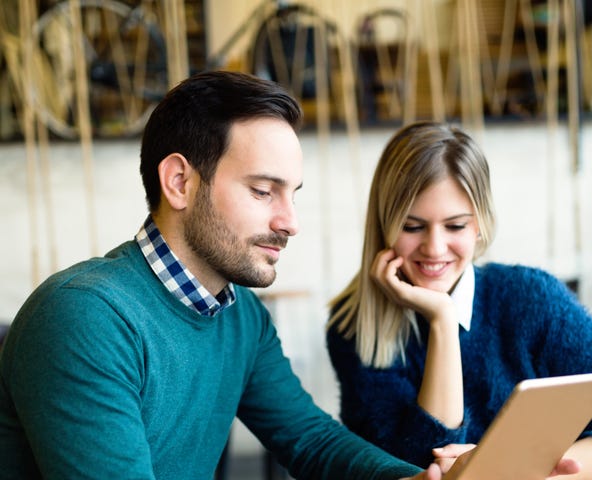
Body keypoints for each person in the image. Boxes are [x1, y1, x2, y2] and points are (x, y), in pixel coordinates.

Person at [0, 70, 437, 480]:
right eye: (263, 191)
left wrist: (417, 478)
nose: (290, 222)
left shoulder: (240, 313)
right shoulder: (84, 317)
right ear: (179, 182)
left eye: (292, 196)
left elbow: (310, 439)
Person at [326, 121, 592, 479]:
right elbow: (414, 463)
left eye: (455, 226)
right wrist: (443, 320)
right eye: (412, 227)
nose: (434, 248)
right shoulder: (352, 328)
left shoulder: (529, 297)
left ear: (479, 226)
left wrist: (520, 472)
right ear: (385, 225)